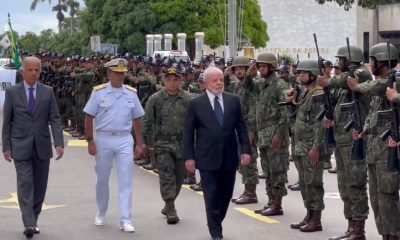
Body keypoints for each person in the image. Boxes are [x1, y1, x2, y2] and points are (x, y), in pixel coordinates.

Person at [184, 66, 251, 240]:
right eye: (215, 80)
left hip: (229, 157)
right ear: (205, 83)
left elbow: (241, 127)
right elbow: (188, 133)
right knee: (212, 196)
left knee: (226, 194)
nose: (219, 83)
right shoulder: (196, 104)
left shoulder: (233, 101)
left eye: (221, 79)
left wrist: (245, 150)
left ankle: (215, 220)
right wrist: (189, 157)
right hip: (207, 158)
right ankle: (216, 232)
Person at [2, 56, 64, 238]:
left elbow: (55, 119)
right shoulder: (13, 92)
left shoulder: (48, 92)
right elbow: (7, 122)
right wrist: (6, 146)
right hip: (20, 145)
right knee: (25, 183)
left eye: (37, 70)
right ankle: (28, 222)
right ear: (23, 72)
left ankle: (33, 219)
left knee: (40, 186)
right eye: (30, 70)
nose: (34, 73)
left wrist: (59, 143)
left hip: (42, 146)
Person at [83, 58, 144, 232]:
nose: (120, 76)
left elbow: (137, 118)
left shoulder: (131, 93)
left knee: (126, 180)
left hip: (124, 139)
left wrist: (139, 143)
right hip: (103, 138)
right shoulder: (99, 93)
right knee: (102, 179)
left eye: (122, 73)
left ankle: (125, 219)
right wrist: (90, 140)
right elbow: (89, 116)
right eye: (117, 73)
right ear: (109, 73)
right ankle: (101, 211)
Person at [348, 43, 400, 240]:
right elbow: (373, 112)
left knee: (387, 197)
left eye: (374, 61)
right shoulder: (382, 86)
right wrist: (365, 127)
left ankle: (393, 235)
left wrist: (358, 86)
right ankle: (385, 235)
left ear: (383, 62)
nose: (371, 65)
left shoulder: (394, 82)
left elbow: (379, 86)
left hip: (388, 152)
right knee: (376, 198)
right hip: (374, 151)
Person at [319, 45, 372, 240]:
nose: (338, 62)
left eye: (342, 59)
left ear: (351, 60)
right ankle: (351, 227)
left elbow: (344, 79)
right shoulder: (342, 87)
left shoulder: (361, 75)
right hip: (341, 141)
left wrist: (328, 81)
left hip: (354, 141)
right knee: (344, 186)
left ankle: (359, 230)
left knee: (356, 184)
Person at [142, 66, 191, 224]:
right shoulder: (155, 99)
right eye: (169, 79)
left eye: (175, 80)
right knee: (166, 176)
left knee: (179, 176)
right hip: (162, 143)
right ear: (164, 81)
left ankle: (168, 204)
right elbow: (147, 122)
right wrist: (144, 143)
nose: (172, 82)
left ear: (180, 81)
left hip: (182, 143)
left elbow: (195, 122)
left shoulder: (187, 99)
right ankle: (171, 208)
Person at [285, 60, 325, 233]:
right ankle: (308, 215)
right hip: (301, 145)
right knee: (304, 183)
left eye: (304, 73)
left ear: (313, 75)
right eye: (299, 73)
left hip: (311, 146)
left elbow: (320, 123)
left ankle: (316, 219)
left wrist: (316, 147)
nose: (300, 76)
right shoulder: (304, 93)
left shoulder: (318, 94)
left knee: (313, 183)